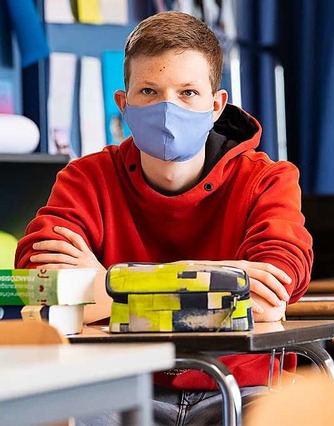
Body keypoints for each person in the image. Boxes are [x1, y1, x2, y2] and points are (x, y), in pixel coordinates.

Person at [15, 11, 313, 425]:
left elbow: (267, 295)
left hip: (241, 389)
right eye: (149, 91)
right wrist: (219, 282)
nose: (167, 108)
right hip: (113, 385)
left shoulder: (268, 180)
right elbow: (40, 283)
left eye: (188, 92)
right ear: (124, 103)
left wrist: (104, 286)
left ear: (216, 105)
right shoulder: (87, 178)